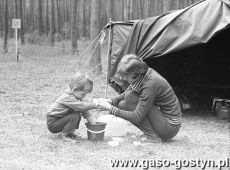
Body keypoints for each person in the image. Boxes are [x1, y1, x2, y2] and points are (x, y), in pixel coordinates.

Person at [98, 54, 182, 141]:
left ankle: (152, 137)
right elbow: (131, 88)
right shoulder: (144, 73)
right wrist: (112, 101)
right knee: (122, 104)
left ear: (134, 75)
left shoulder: (150, 85)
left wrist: (109, 108)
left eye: (126, 77)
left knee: (130, 97)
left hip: (170, 126)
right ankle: (151, 134)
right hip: (163, 120)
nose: (125, 80)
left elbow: (136, 117)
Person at [46, 72, 99, 141]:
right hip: (53, 123)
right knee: (74, 116)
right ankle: (64, 135)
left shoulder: (75, 97)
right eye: (83, 94)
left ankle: (69, 133)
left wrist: (94, 123)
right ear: (74, 90)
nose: (84, 96)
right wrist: (94, 105)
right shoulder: (67, 97)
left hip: (60, 120)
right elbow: (82, 107)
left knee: (76, 115)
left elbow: (84, 111)